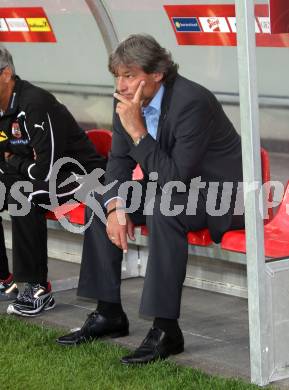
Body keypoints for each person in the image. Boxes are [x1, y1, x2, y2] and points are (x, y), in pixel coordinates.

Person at [57, 34, 244, 364]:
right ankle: (109, 314)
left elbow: (176, 176)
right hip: (172, 190)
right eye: (117, 75)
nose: (122, 84)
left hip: (220, 195)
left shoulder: (191, 101)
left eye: (129, 75)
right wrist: (117, 206)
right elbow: (118, 162)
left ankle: (166, 330)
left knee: (164, 208)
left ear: (157, 73)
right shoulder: (127, 103)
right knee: (100, 199)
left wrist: (138, 131)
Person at [0, 46, 107, 315]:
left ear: (6, 74)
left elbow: (44, 172)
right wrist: (15, 162)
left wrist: (13, 161)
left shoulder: (35, 103)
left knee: (23, 197)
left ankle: (37, 288)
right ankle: (4, 280)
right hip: (36, 173)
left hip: (81, 174)